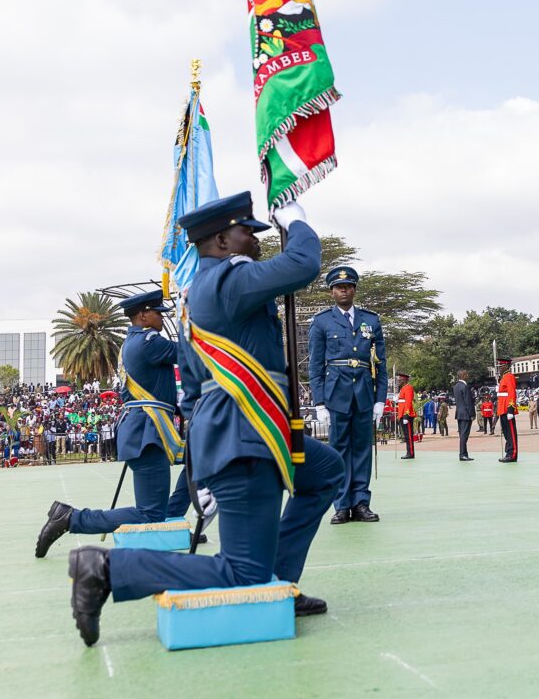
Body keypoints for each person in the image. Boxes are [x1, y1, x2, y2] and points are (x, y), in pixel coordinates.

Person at [64, 192, 345, 646]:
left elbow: (192, 390)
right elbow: (302, 265)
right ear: (220, 240)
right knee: (240, 571)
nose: (255, 241)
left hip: (239, 430)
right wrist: (296, 221)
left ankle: (279, 581)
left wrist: (200, 467)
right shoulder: (231, 281)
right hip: (248, 431)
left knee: (326, 470)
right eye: (245, 233)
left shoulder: (196, 297)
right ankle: (110, 568)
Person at [35, 291, 201, 557]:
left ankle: (170, 523)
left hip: (146, 427)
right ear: (143, 315)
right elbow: (190, 353)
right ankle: (71, 519)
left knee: (198, 462)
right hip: (148, 431)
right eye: (158, 313)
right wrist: (188, 318)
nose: (161, 317)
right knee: (148, 514)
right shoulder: (149, 342)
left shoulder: (132, 342)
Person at [308, 265, 387, 526]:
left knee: (363, 449)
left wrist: (380, 399)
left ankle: (361, 502)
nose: (344, 290)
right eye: (339, 287)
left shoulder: (371, 320)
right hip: (336, 394)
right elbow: (316, 365)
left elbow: (381, 365)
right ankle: (341, 504)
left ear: (354, 289)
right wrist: (319, 401)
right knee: (339, 450)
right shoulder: (322, 322)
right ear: (332, 291)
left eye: (348, 286)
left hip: (364, 392)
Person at [497, 362, 518, 462]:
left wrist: (510, 409)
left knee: (511, 433)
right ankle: (508, 452)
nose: (499, 368)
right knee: (506, 432)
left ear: (506, 366)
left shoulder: (509, 376)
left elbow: (511, 392)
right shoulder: (504, 377)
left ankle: (512, 454)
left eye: (501, 366)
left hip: (507, 408)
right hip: (502, 407)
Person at [453, 371, 475, 461]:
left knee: (462, 435)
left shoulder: (456, 386)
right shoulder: (464, 387)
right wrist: (472, 414)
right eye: (466, 374)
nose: (468, 375)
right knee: (464, 435)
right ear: (463, 376)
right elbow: (468, 402)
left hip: (459, 413)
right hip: (466, 414)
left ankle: (464, 453)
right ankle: (462, 454)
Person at [396, 372, 416, 459]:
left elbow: (408, 402)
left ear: (404, 380)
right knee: (406, 435)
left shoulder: (408, 388)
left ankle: (410, 453)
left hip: (406, 414)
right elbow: (401, 402)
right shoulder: (403, 388)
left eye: (400, 380)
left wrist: (406, 415)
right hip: (402, 414)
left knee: (409, 435)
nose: (399, 381)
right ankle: (409, 452)